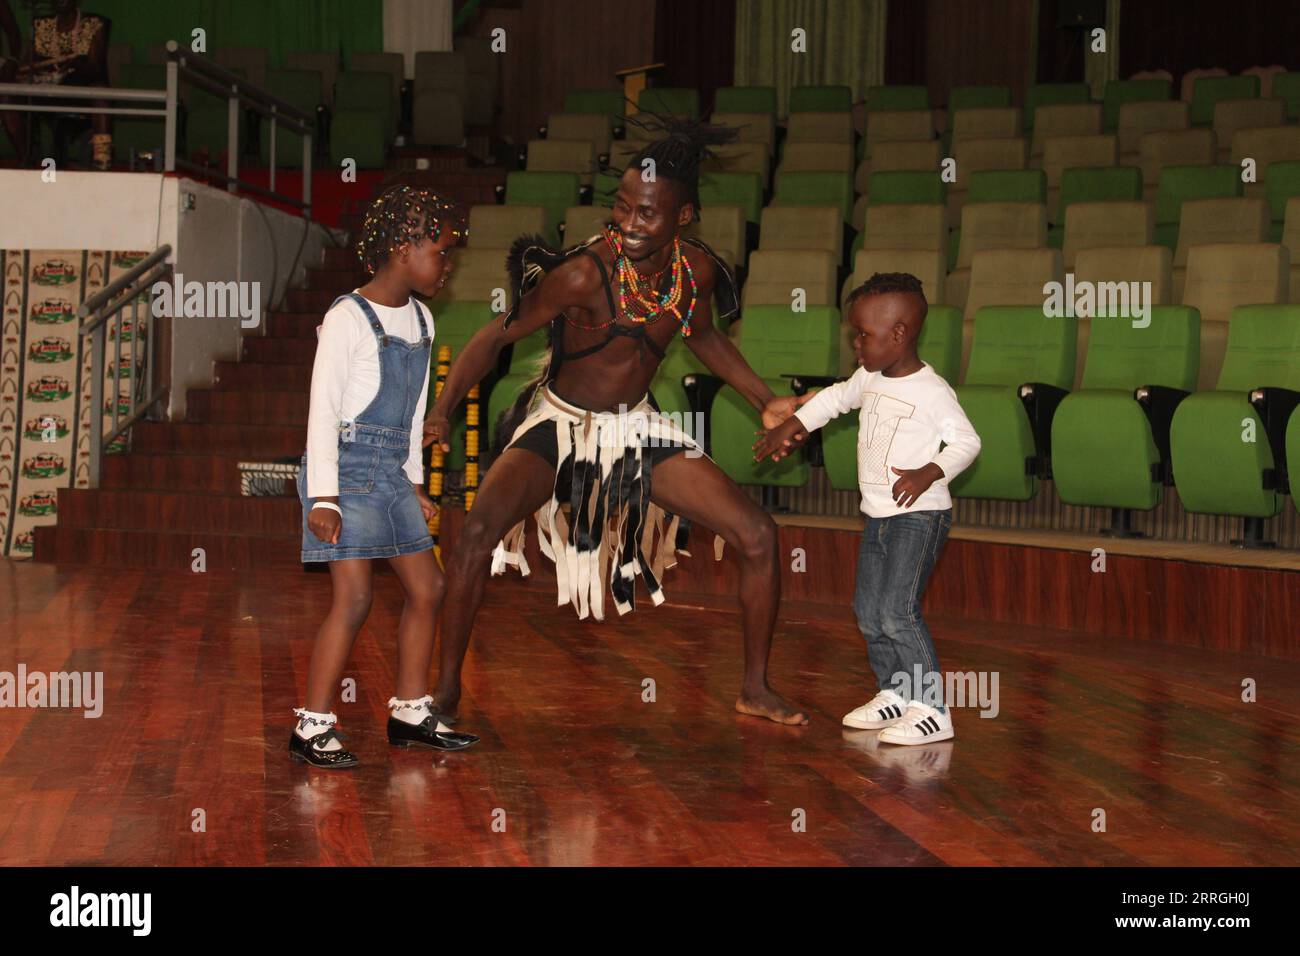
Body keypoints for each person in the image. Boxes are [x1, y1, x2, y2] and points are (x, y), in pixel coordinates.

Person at [423, 114, 813, 727]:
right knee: (475, 534)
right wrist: (442, 409)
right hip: (559, 424)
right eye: (623, 207)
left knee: (760, 536)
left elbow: (704, 336)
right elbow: (494, 337)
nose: (629, 224)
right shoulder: (582, 273)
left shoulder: (695, 273)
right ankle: (445, 691)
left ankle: (755, 688)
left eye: (647, 213)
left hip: (635, 427)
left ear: (683, 216)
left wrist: (763, 399)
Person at [293, 185, 479, 768]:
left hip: (391, 471)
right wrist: (324, 498)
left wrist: (416, 484)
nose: (446, 266)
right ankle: (312, 726)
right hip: (344, 472)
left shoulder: (422, 320)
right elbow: (322, 412)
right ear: (403, 248)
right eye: (440, 252)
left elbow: (414, 416)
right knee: (354, 598)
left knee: (430, 588)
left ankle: (410, 713)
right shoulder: (347, 317)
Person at [755, 273, 981, 745]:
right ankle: (895, 692)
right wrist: (793, 424)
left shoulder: (932, 390)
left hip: (920, 516)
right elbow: (835, 400)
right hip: (878, 515)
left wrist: (929, 472)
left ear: (899, 334)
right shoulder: (870, 377)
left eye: (864, 334)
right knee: (868, 611)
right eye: (854, 333)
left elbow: (967, 441)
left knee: (898, 611)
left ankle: (932, 709)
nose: (855, 343)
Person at [1, 0, 111, 168]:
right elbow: (29, 61)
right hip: (45, 89)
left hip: (78, 88)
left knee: (100, 90)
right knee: (7, 97)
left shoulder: (93, 23)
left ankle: (102, 158)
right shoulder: (41, 24)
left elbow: (95, 65)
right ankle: (26, 158)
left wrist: (72, 67)